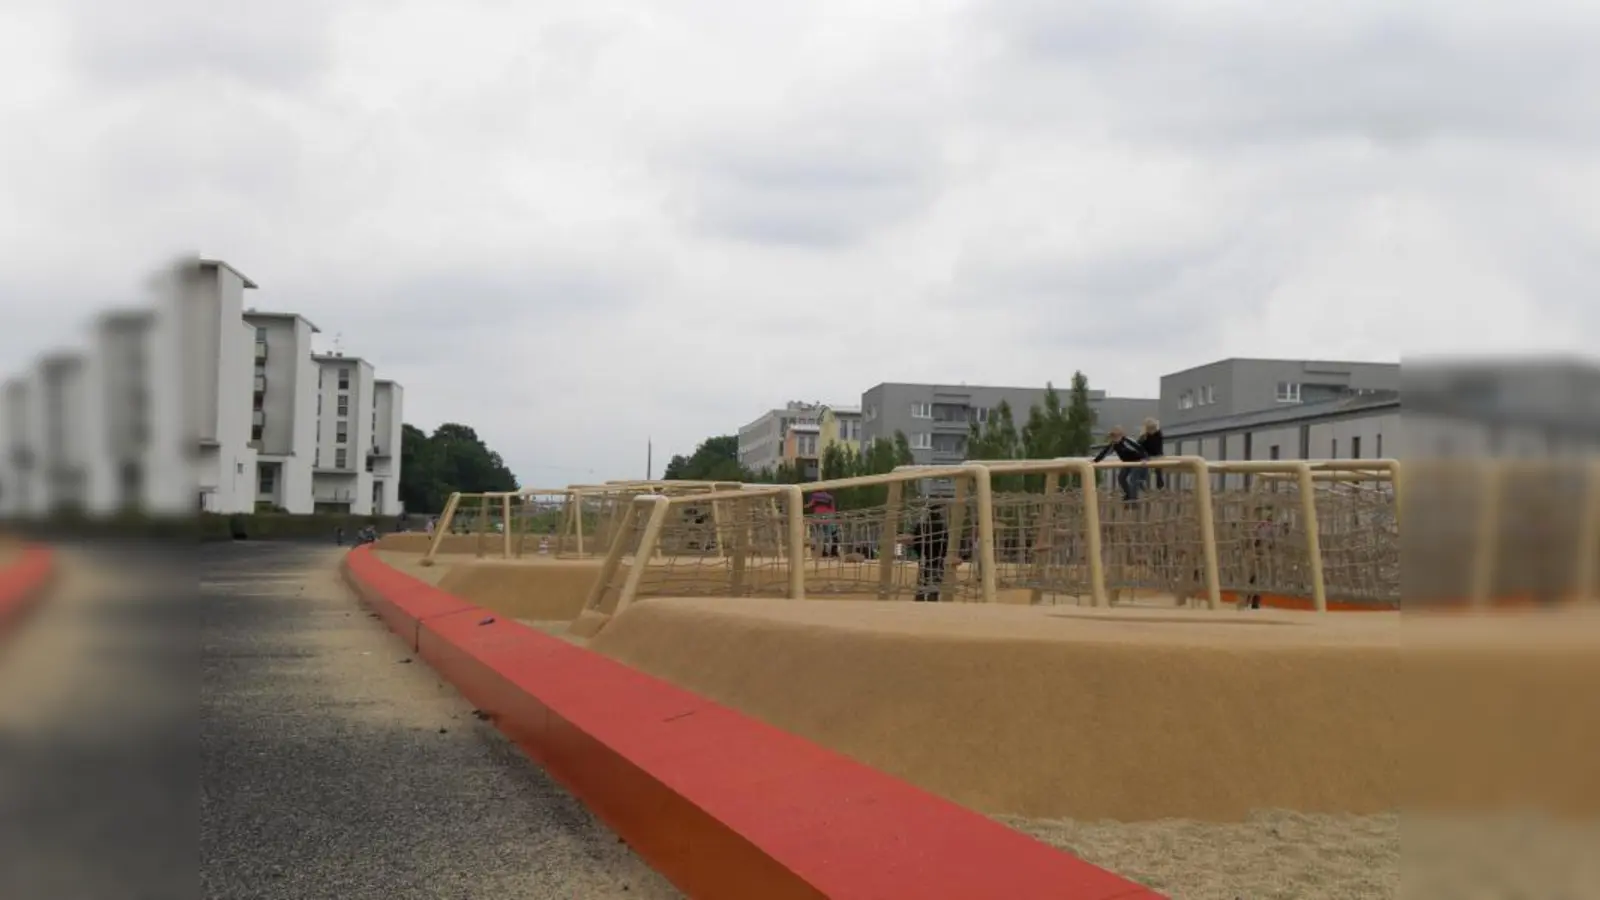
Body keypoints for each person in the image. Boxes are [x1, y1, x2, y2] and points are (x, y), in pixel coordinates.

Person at [902, 504, 951, 602]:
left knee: (922, 581)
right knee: (934, 584)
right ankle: (931, 601)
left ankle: (919, 600)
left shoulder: (921, 526)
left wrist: (919, 553)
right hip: (937, 558)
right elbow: (946, 543)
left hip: (924, 557)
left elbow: (916, 543)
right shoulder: (943, 527)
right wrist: (944, 555)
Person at [1093, 426, 1150, 502]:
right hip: (1128, 463)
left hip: (1137, 461)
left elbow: (1141, 450)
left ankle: (1133, 500)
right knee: (1121, 478)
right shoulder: (1114, 444)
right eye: (1113, 436)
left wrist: (1144, 459)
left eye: (1116, 436)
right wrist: (1095, 461)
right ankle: (1129, 494)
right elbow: (1105, 452)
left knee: (1133, 480)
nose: (1114, 438)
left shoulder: (1127, 441)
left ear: (1121, 435)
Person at [1138, 418, 1166, 490]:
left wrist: (1157, 455)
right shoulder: (1144, 436)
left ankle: (1160, 484)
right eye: (1150, 429)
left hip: (1157, 453)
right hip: (1147, 454)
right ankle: (1141, 480)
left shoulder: (1158, 434)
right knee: (1143, 465)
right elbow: (1140, 446)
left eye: (1153, 428)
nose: (1151, 431)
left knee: (1158, 468)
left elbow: (1157, 446)